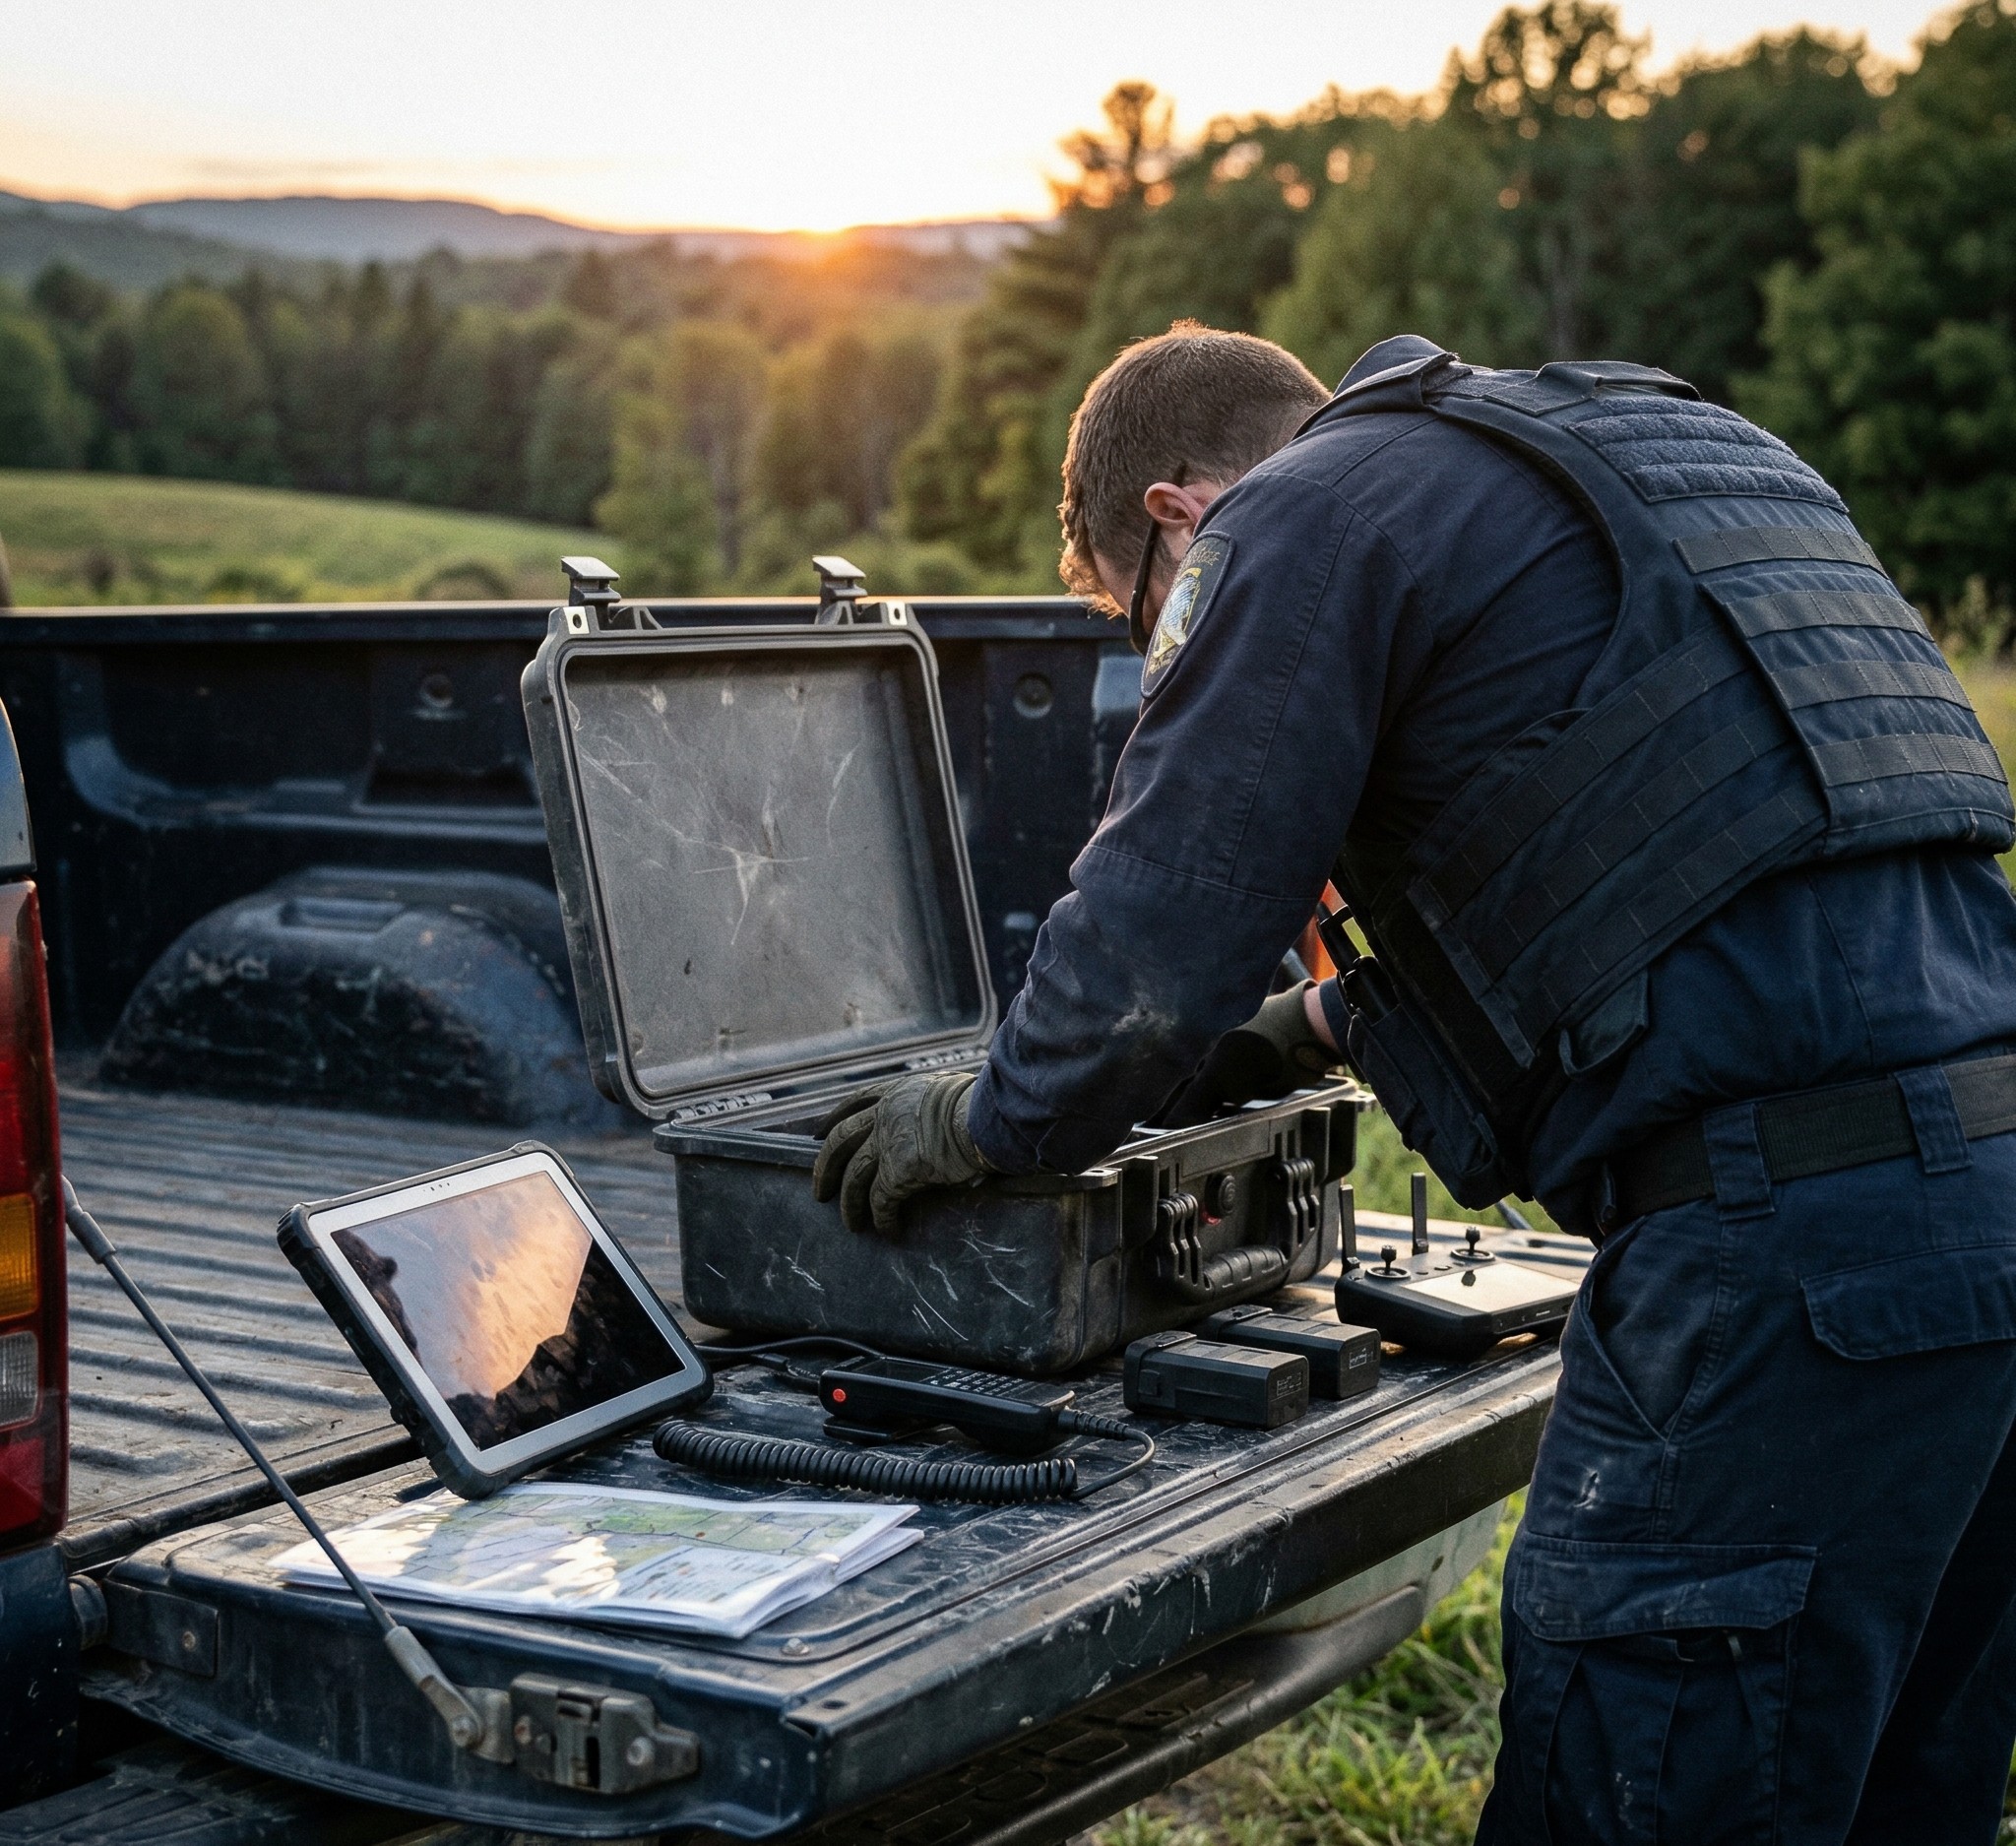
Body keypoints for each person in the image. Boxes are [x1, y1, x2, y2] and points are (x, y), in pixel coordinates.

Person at [810, 322, 2016, 1840]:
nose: (1159, 656)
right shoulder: (1624, 452)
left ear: (1177, 517)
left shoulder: (1283, 521)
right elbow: (1693, 884)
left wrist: (985, 1118)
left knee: (1639, 1785)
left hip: (1783, 1274)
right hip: (1984, 1225)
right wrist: (1312, 1026)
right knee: (1900, 1798)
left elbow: (1147, 954)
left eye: (1139, 620)